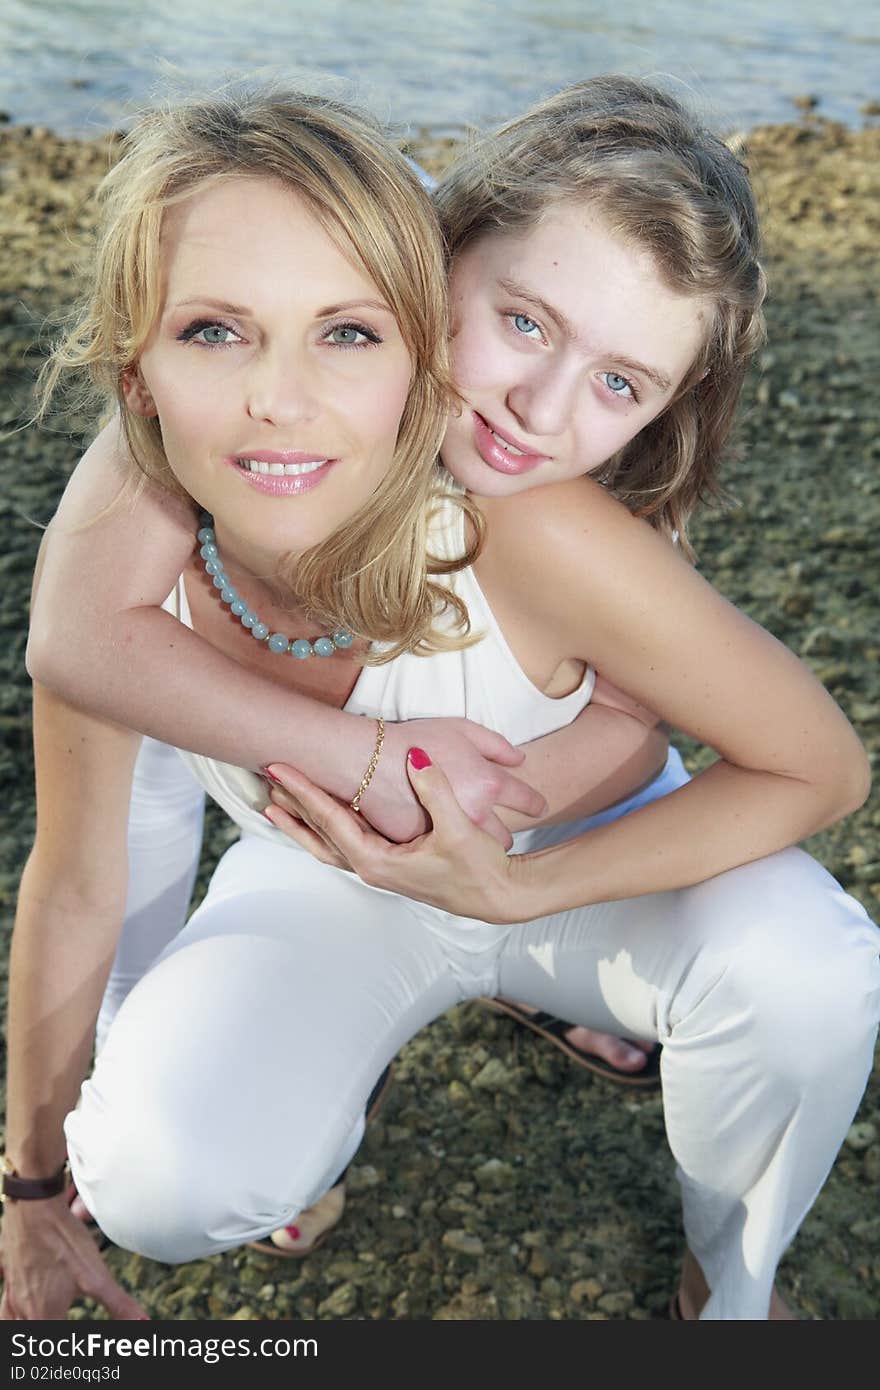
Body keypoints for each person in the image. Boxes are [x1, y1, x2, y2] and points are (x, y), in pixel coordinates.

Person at [4, 79, 877, 1322]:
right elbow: (85, 682)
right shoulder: (220, 445)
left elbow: (820, 765)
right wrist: (34, 1179)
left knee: (817, 971)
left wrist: (517, 883)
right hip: (332, 881)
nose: (537, 408)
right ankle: (308, 1108)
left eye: (621, 385)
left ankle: (726, 1286)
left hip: (587, 870)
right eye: (520, 321)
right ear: (435, 253)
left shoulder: (551, 523)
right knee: (153, 1176)